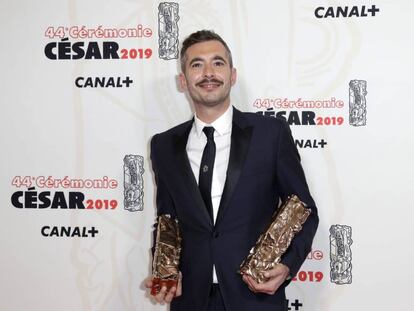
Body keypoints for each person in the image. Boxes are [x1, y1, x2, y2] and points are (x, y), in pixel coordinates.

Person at [145, 30, 318, 311]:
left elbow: (304, 209)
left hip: (255, 296)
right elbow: (167, 219)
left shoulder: (270, 134)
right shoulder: (164, 145)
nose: (208, 73)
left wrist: (287, 266)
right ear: (183, 80)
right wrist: (165, 271)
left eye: (218, 62)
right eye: (196, 64)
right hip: (191, 299)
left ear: (232, 74)